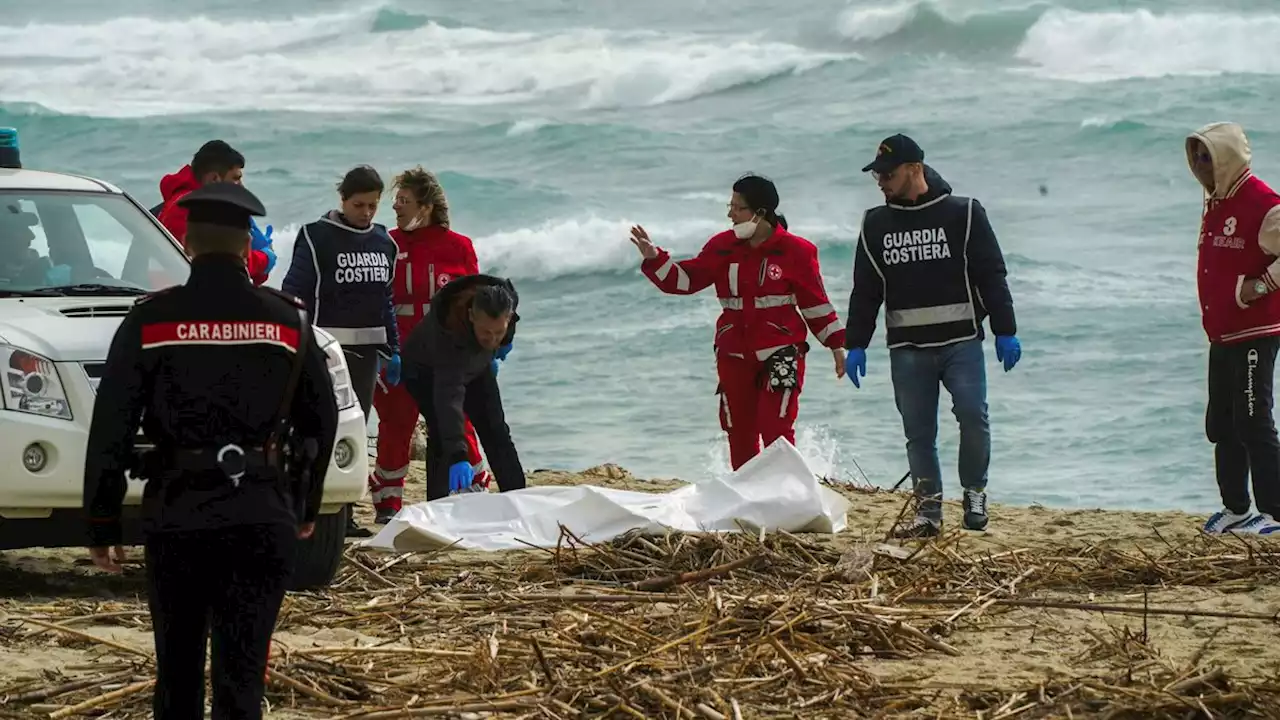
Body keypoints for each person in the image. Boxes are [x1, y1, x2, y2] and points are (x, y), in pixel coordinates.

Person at [81, 182, 338, 719]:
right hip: (261, 514)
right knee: (241, 677)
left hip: (178, 513)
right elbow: (323, 416)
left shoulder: (151, 321)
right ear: (248, 246)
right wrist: (306, 503)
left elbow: (112, 425)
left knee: (176, 675)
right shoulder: (288, 321)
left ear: (188, 244)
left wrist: (103, 519)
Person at [845, 134, 1020, 538]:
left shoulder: (965, 214)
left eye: (888, 174)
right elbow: (866, 289)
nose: (881, 181)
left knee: (974, 417)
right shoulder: (876, 223)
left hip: (961, 341)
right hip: (906, 348)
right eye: (877, 175)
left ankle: (975, 492)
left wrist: (1005, 330)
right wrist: (855, 342)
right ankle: (927, 513)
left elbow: (991, 275)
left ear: (915, 169)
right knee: (919, 434)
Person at [629, 174, 847, 471]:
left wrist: (837, 346)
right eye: (729, 205)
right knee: (739, 432)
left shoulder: (797, 251)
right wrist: (655, 259)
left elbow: (815, 303)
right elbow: (686, 280)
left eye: (737, 207)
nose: (730, 213)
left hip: (782, 352)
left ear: (760, 212)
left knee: (776, 431)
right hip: (734, 354)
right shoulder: (722, 246)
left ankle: (788, 496)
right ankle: (748, 500)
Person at [369, 166, 497, 524]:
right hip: (398, 354)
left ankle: (472, 495)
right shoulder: (385, 243)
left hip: (448, 358)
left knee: (458, 424)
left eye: (404, 202)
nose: (396, 208)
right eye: (395, 202)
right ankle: (387, 506)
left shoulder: (459, 247)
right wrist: (383, 352)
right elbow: (373, 299)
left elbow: (479, 304)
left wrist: (487, 351)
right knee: (395, 427)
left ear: (425, 206)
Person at [281, 165, 400, 535]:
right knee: (318, 431)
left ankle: (344, 517)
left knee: (354, 432)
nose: (366, 213)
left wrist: (394, 348)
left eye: (373, 206)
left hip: (366, 355)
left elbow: (386, 301)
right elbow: (295, 291)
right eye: (359, 204)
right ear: (343, 200)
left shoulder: (385, 243)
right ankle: (310, 512)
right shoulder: (317, 237)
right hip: (325, 354)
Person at [1188, 122, 1280, 536]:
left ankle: (1276, 515)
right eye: (1196, 157)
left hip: (1255, 332)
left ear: (1227, 158)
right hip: (1222, 332)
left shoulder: (1264, 203)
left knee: (1253, 421)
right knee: (1221, 423)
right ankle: (1237, 510)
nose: (1201, 165)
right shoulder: (1215, 202)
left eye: (1207, 156)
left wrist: (1259, 287)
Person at [400, 274, 526, 500]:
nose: (492, 339)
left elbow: (504, 328)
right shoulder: (450, 334)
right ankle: (438, 505)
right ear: (471, 316)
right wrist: (459, 455)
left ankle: (518, 497)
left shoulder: (506, 304)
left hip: (476, 365)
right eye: (486, 332)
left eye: (498, 332)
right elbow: (449, 399)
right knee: (442, 434)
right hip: (424, 372)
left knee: (496, 429)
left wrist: (505, 341)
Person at [155, 140, 276, 285]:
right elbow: (220, 266)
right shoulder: (189, 209)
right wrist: (264, 259)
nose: (241, 186)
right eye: (236, 178)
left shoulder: (186, 201)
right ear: (214, 179)